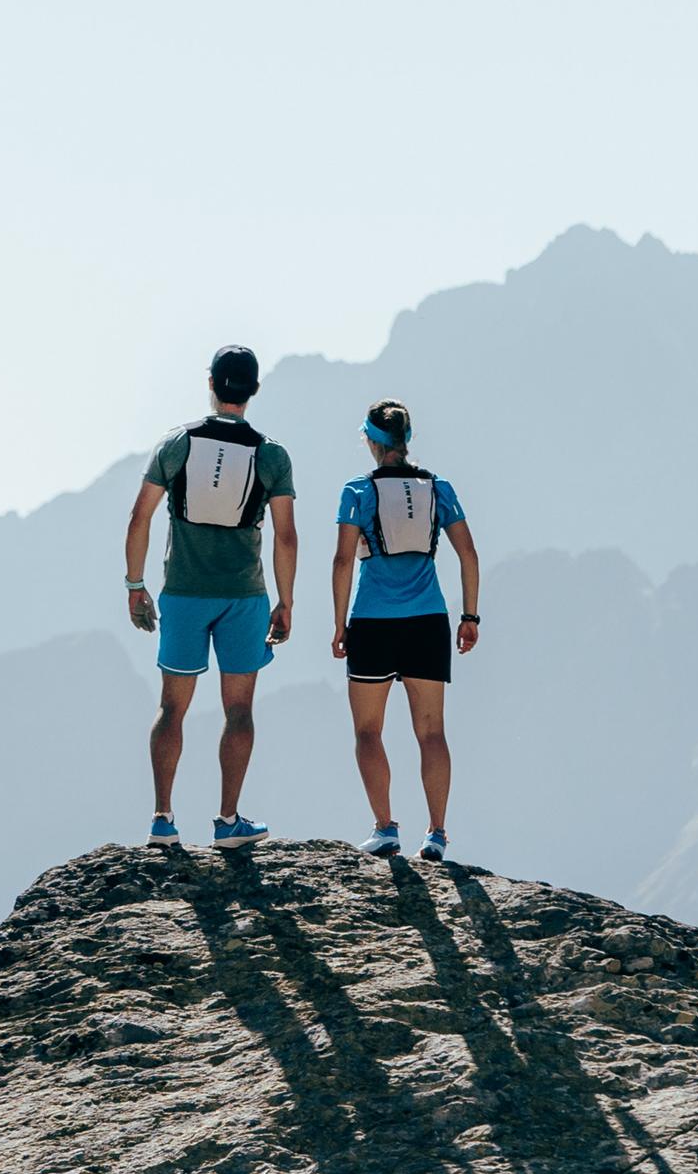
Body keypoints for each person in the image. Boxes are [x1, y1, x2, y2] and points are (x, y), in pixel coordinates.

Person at [124, 345, 297, 845]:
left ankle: (162, 819)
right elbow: (285, 535)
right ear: (254, 390)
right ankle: (228, 821)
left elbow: (140, 517)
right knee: (239, 710)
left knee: (171, 707)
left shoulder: (176, 444)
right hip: (244, 596)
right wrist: (285, 601)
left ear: (211, 384)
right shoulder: (271, 454)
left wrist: (136, 586)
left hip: (183, 592)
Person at [327, 398, 478, 861]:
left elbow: (342, 560)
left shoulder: (358, 490)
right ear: (407, 439)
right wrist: (469, 617)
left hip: (373, 622)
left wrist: (339, 625)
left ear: (372, 441)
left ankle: (385, 828)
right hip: (428, 622)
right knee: (432, 732)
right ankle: (436, 834)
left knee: (368, 731)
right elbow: (468, 555)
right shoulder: (439, 488)